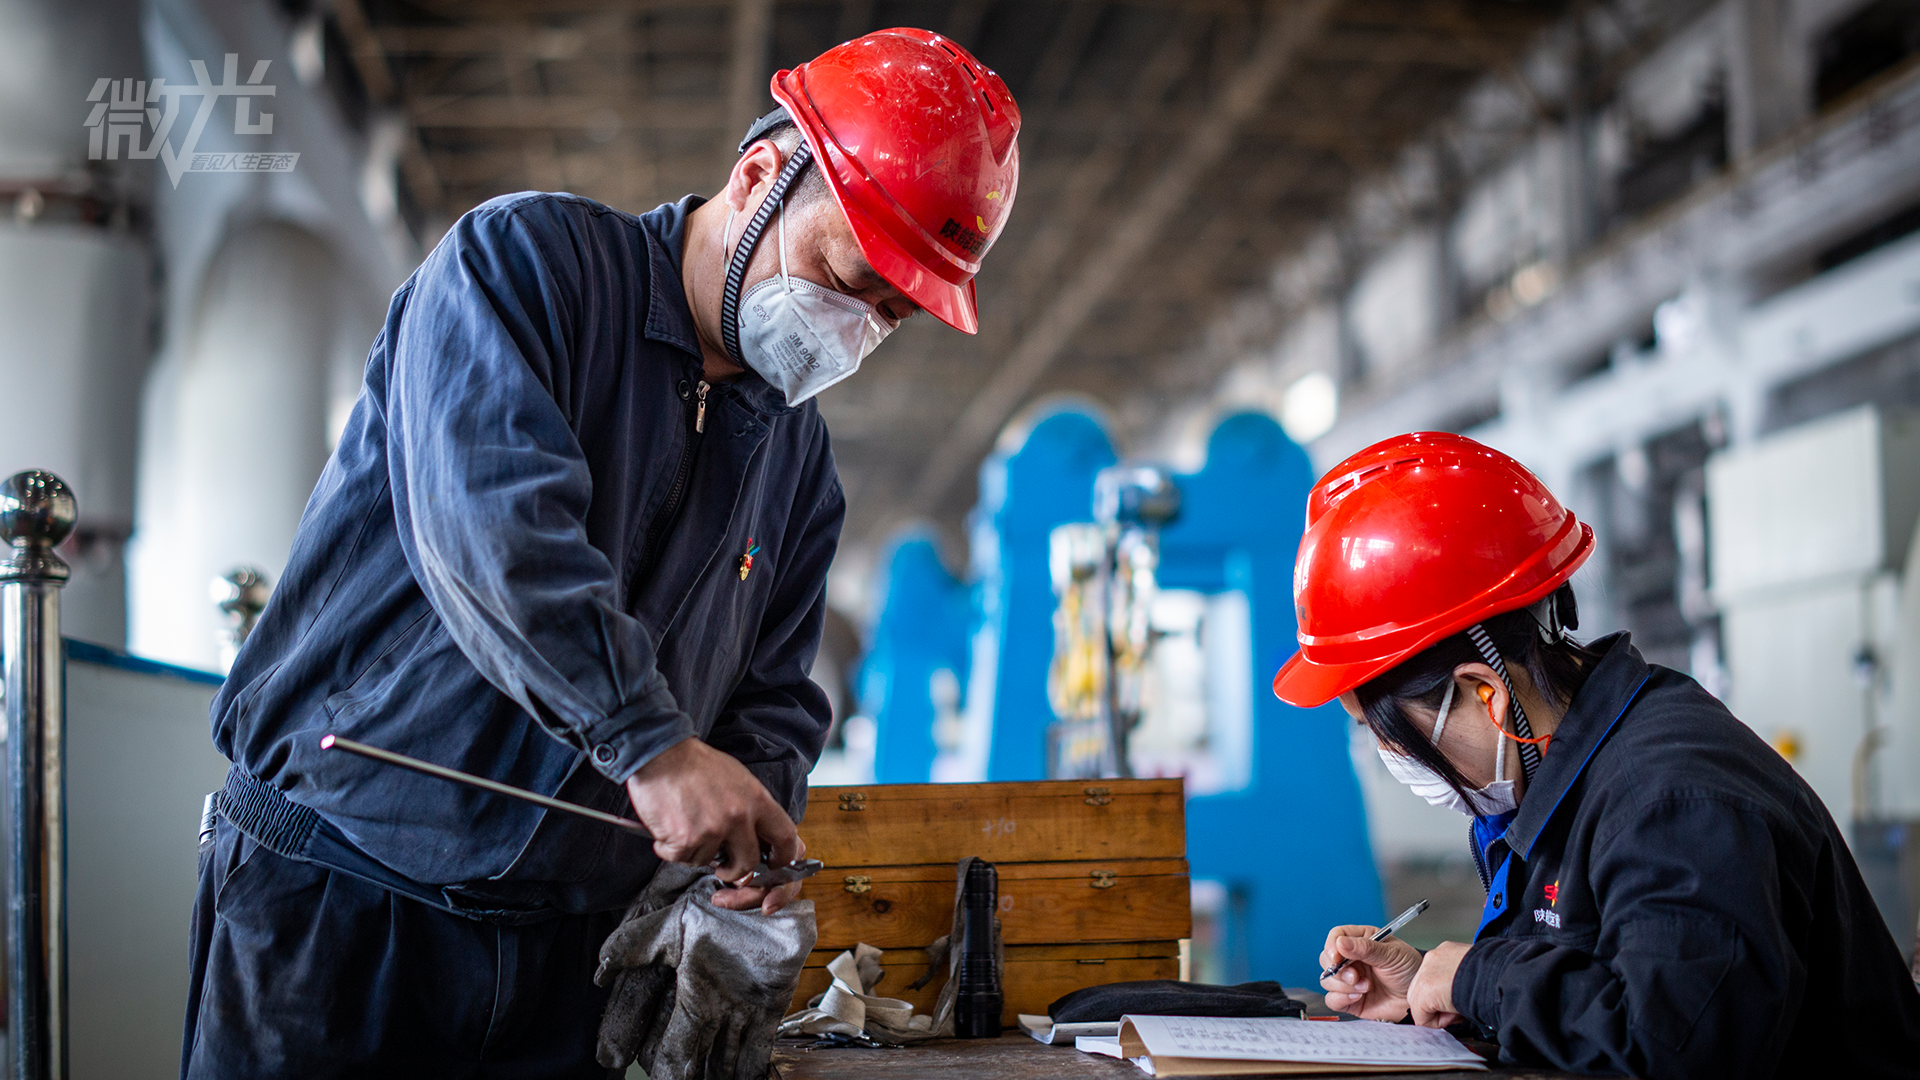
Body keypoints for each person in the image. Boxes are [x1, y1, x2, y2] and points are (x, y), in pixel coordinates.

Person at [180, 28, 1020, 1079]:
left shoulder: (799, 465)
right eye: (844, 277)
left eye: (890, 316)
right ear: (760, 176)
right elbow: (496, 531)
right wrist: (655, 751)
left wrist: (743, 854)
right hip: (342, 902)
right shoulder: (524, 269)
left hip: (566, 960)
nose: (854, 328)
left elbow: (772, 697)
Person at [1274, 432, 1920, 1079]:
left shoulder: (1672, 800)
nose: (1389, 754)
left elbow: (1677, 1051)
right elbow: (1605, 991)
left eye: (1382, 729)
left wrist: (1480, 978)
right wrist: (1442, 997)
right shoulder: (1567, 781)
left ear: (1484, 693)